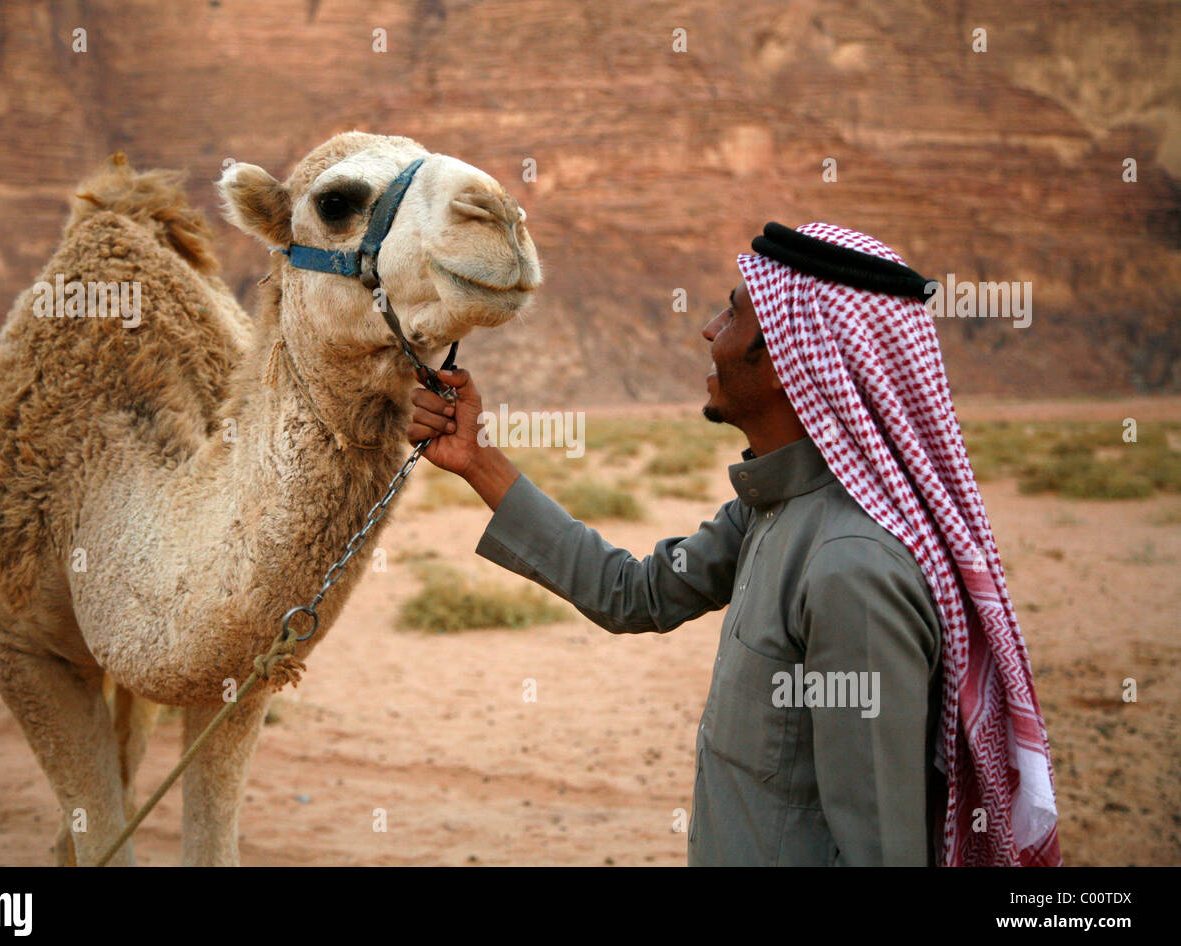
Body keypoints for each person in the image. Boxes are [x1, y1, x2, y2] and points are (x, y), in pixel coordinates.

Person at [406, 221, 1061, 867]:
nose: (710, 329)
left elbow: (879, 847)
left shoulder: (850, 569)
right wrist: (477, 460)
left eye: (735, 312)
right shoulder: (773, 509)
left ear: (789, 360)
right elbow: (633, 594)